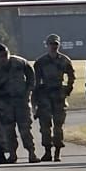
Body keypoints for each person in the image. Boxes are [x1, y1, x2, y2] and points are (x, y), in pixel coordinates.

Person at [0, 43, 40, 164]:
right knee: (8, 130)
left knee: (25, 128)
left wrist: (28, 90)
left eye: (5, 55)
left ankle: (31, 152)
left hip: (21, 101)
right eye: (0, 56)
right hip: (5, 104)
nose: (3, 58)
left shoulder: (19, 62)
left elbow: (31, 75)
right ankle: (12, 154)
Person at [32, 34, 75, 162]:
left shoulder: (64, 60)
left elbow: (71, 76)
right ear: (47, 45)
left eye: (56, 44)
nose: (53, 46)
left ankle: (57, 151)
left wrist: (68, 89)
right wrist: (34, 100)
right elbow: (35, 81)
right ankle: (47, 151)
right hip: (44, 95)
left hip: (58, 95)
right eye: (51, 44)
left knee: (58, 126)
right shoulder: (40, 62)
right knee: (45, 126)